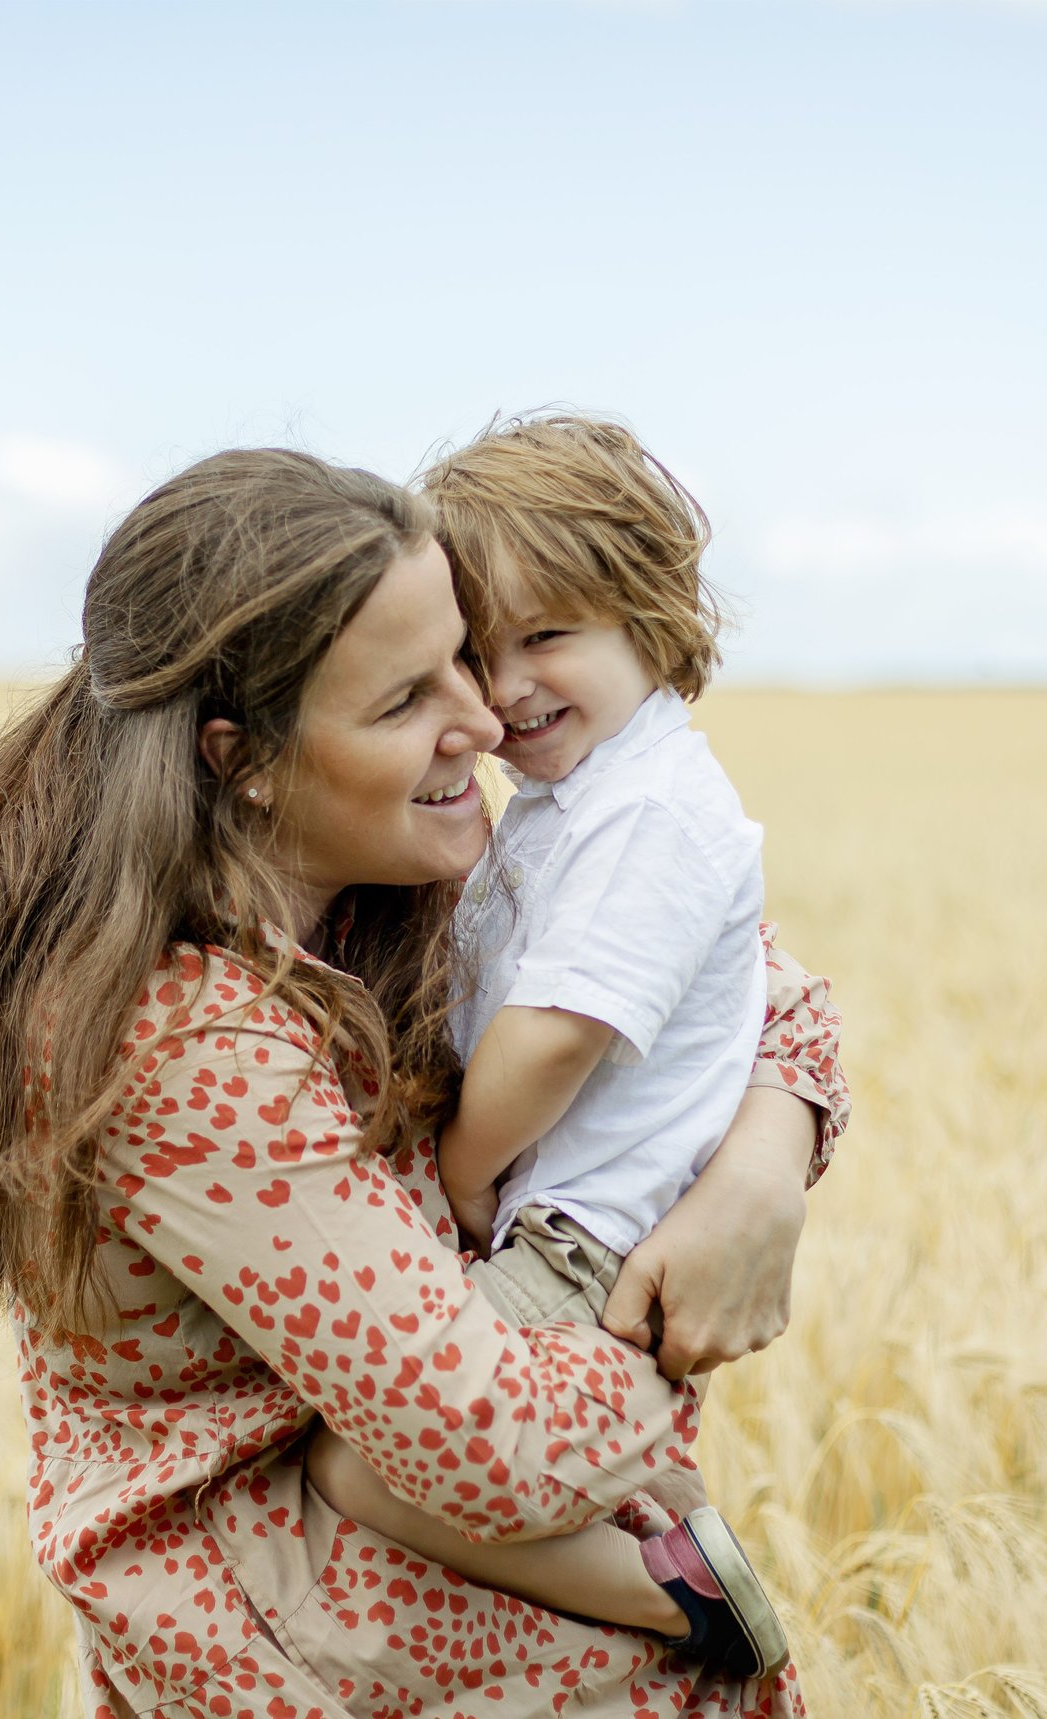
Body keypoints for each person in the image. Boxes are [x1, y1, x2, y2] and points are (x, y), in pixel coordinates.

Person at [0, 448, 849, 1719]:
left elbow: (749, 977)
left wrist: (757, 1173)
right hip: (318, 1672)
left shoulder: (395, 890)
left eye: (465, 655)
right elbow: (486, 1443)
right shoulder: (181, 1044)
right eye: (406, 699)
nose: (482, 717)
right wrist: (655, 1329)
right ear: (243, 758)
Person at [305, 415, 792, 1676]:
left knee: (359, 1464)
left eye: (548, 637)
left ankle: (673, 1598)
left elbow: (553, 1040)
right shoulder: (585, 803)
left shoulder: (649, 819)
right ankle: (655, 1520)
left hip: (576, 1242)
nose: (507, 687)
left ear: (650, 617)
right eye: (477, 649)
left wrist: (459, 1179)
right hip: (562, 1222)